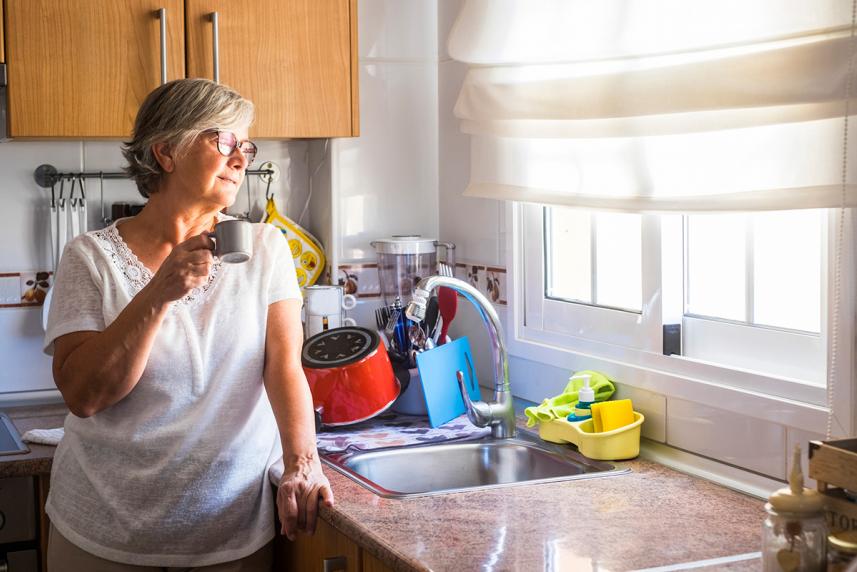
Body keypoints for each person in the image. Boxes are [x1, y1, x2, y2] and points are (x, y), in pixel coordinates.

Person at [43, 78, 333, 570]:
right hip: (103, 533)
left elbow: (284, 367)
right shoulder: (89, 257)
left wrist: (302, 463)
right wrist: (160, 291)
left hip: (230, 530)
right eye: (223, 141)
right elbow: (84, 396)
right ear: (166, 152)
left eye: (245, 145)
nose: (240, 158)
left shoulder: (266, 248)